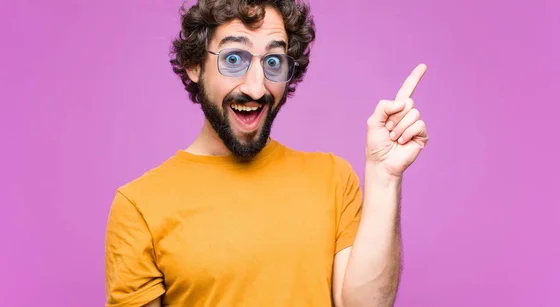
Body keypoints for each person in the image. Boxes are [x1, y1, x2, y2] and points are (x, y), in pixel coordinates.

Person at [104, 0, 429, 306]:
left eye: (273, 61)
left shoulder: (332, 178)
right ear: (194, 65)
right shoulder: (139, 206)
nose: (256, 88)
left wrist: (384, 177)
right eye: (234, 59)